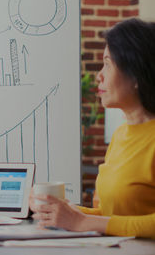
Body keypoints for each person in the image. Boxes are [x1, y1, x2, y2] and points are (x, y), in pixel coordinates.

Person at [30, 18, 155, 239]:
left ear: (136, 73)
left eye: (108, 63)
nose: (99, 75)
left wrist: (83, 220)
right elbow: (111, 216)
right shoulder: (120, 136)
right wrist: (63, 212)